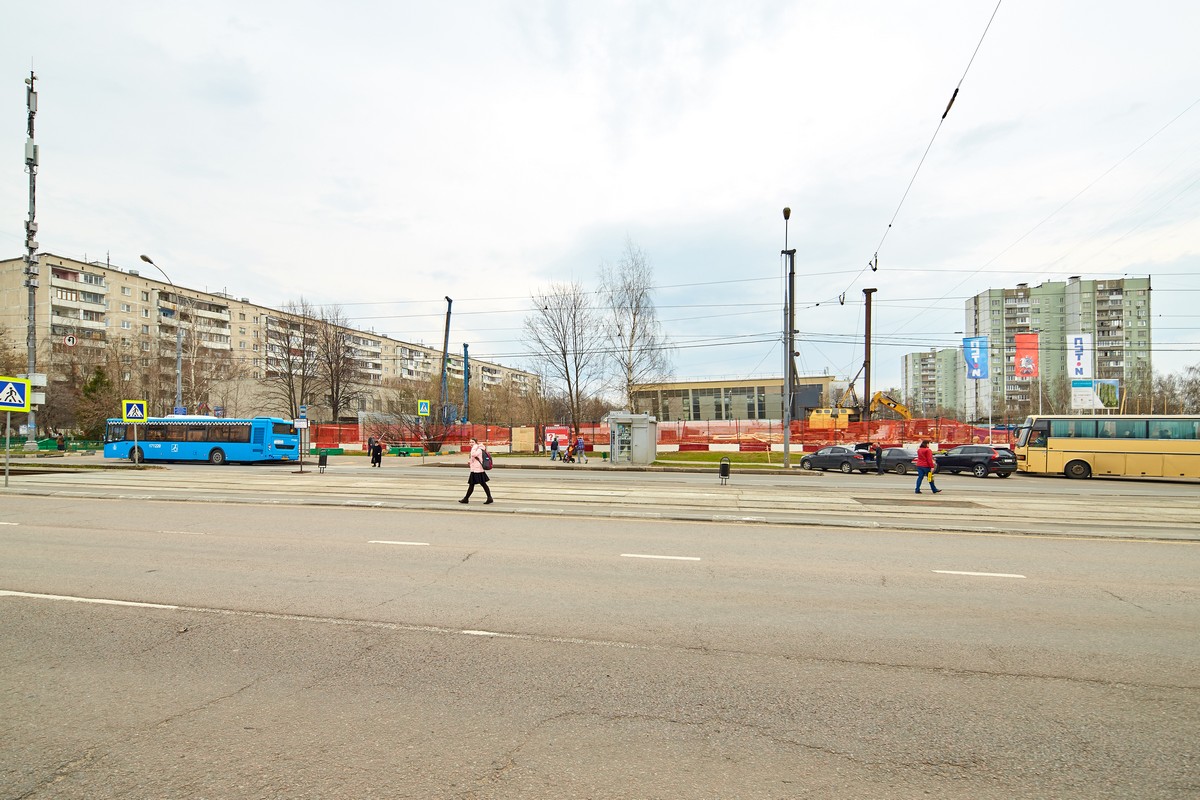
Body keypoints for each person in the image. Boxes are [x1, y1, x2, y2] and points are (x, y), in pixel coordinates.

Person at [459, 438, 493, 505]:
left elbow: (474, 455)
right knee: (472, 484)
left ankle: (489, 498)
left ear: (476, 443)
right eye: (470, 442)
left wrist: (474, 447)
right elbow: (474, 458)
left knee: (482, 484)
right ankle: (466, 498)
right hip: (474, 469)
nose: (471, 443)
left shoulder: (479, 449)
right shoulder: (475, 449)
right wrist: (470, 462)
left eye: (473, 442)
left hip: (478, 470)